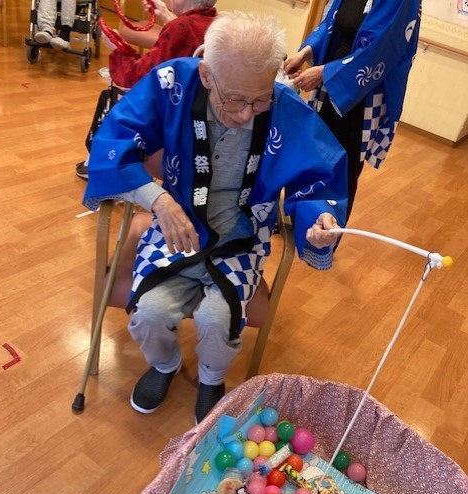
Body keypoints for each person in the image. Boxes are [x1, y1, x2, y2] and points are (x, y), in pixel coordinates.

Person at [83, 11, 349, 423]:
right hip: (175, 225)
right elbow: (113, 143)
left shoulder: (281, 104)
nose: (246, 114)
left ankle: (212, 377)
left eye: (259, 99)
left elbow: (319, 177)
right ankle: (165, 365)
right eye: (235, 99)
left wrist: (319, 221)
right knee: (150, 313)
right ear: (207, 75)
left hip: (241, 237)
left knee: (218, 319)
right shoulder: (172, 83)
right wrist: (158, 200)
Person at [284, 0, 421, 220]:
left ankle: (326, 233)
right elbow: (331, 22)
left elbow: (382, 49)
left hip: (362, 94)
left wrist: (324, 72)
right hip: (331, 80)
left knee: (341, 170)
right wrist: (305, 53)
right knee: (313, 156)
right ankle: (300, 220)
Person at [75, 0, 217, 179]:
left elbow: (137, 76)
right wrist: (164, 12)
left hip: (168, 116)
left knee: (111, 96)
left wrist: (117, 49)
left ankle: (99, 164)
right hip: (196, 112)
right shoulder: (216, 25)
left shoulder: (179, 28)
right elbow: (189, 34)